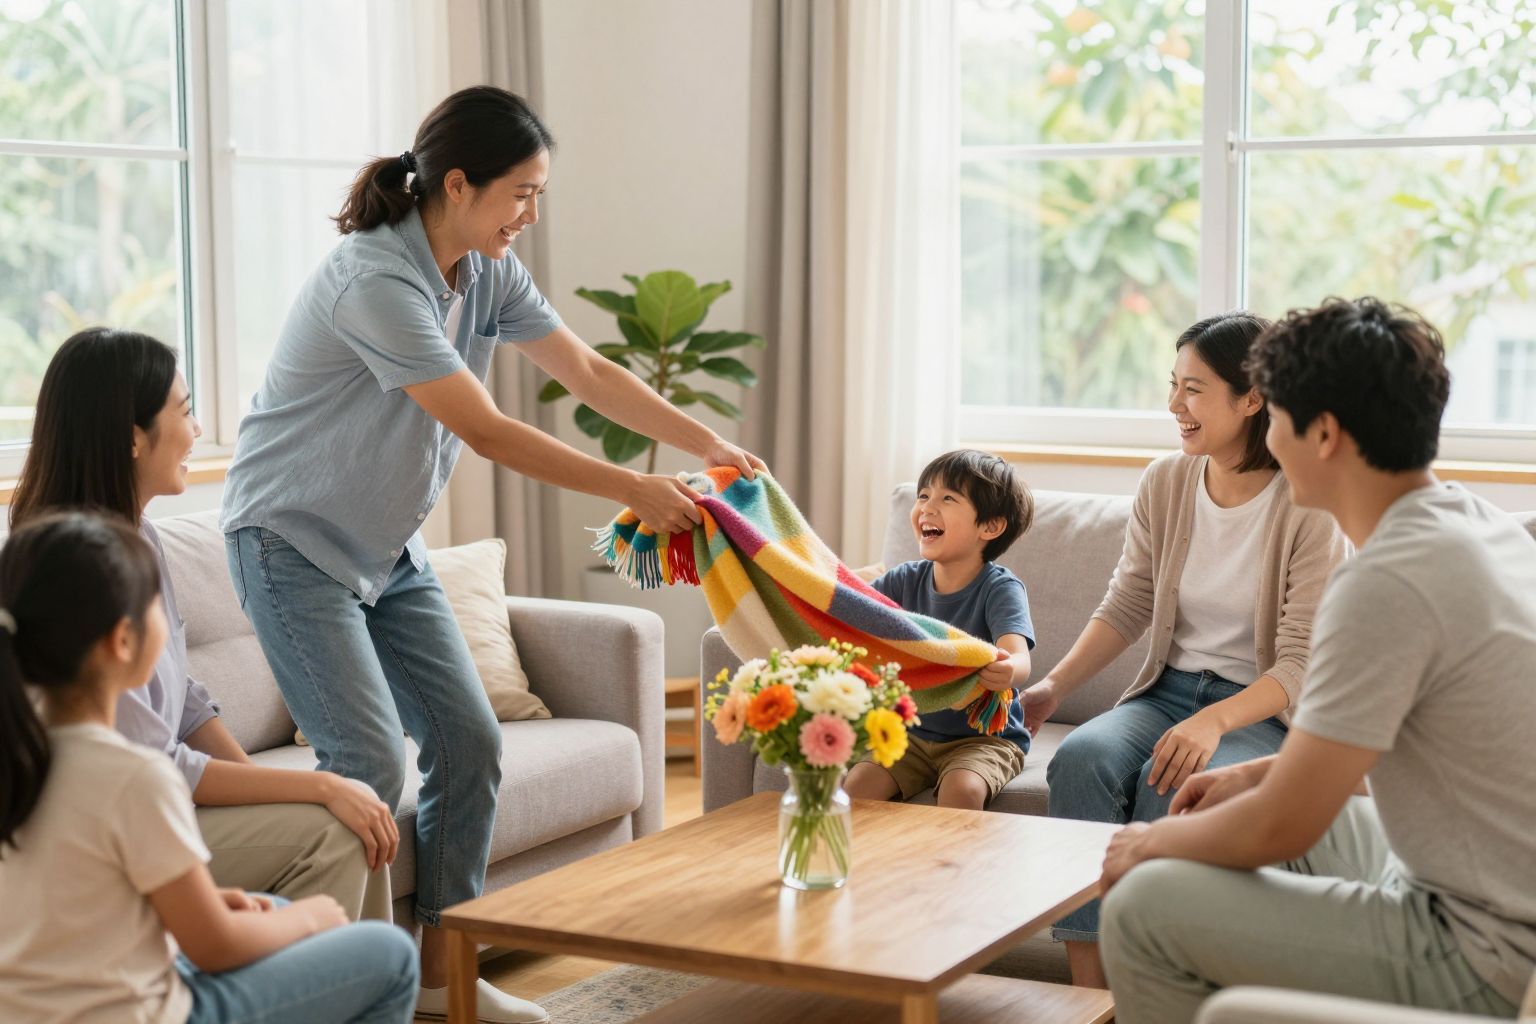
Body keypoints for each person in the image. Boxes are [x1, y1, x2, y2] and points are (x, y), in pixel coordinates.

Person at [219, 86, 764, 1023]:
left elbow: (588, 372)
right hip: (290, 543)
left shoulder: (485, 271)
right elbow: (490, 432)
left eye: (540, 194)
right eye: (521, 194)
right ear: (459, 184)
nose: (531, 215)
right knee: (364, 761)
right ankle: (324, 990)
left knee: (470, 745)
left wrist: (700, 442)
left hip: (387, 550)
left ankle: (442, 979)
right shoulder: (374, 282)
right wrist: (636, 489)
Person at [1096, 297, 1536, 1022]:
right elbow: (1390, 750)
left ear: (1324, 433)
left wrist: (1148, 841)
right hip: (1479, 889)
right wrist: (1254, 773)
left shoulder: (1387, 581)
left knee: (1145, 903)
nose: (1267, 436)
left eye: (1276, 418)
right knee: (1247, 826)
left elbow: (1282, 828)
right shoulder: (1479, 527)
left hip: (1485, 947)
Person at [8, 327, 394, 921]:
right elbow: (154, 761)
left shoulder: (138, 536)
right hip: (119, 831)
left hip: (156, 802)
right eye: (185, 414)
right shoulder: (76, 570)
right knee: (337, 829)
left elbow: (183, 701)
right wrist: (318, 785)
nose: (195, 432)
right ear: (132, 438)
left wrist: (269, 787)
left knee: (340, 814)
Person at [1022, 312, 1348, 987]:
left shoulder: (1307, 504)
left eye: (1194, 389)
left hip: (1258, 713)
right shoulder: (1167, 482)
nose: (1175, 405)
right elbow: (1128, 603)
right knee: (1080, 757)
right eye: (1173, 386)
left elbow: (1298, 664)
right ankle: (1092, 996)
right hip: (1168, 691)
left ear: (1252, 397)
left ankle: (1156, 987)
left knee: (1163, 783)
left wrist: (1216, 720)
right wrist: (1053, 687)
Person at [0, 512, 419, 1023]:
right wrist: (312, 920)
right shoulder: (133, 776)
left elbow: (76, 894)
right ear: (122, 642)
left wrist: (217, 903)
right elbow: (215, 948)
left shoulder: (20, 759)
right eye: (154, 607)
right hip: (139, 1011)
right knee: (388, 954)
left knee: (275, 914)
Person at [844, 450, 1035, 810]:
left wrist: (1008, 670)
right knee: (856, 786)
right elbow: (855, 609)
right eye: (923, 496)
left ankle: (954, 867)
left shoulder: (1001, 589)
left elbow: (1019, 657)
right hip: (909, 733)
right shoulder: (904, 580)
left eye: (947, 498)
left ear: (990, 527)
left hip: (983, 739)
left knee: (962, 790)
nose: (928, 507)